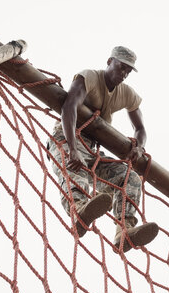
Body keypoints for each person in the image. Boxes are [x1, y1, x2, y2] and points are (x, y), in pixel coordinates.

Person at [48, 46, 159, 252]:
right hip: (66, 139)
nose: (124, 74)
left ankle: (124, 231)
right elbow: (69, 107)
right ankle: (79, 210)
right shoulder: (90, 77)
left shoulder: (125, 93)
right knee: (75, 165)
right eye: (121, 67)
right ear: (109, 62)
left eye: (128, 70)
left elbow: (140, 128)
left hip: (91, 150)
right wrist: (72, 147)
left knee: (130, 177)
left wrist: (140, 148)